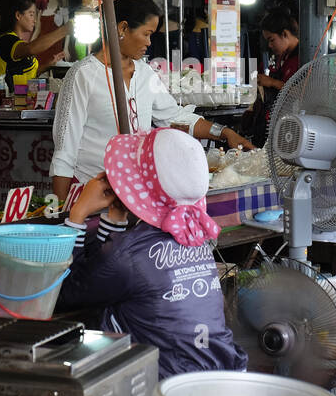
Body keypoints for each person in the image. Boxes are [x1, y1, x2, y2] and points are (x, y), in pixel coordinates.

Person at [56, 127, 247, 378]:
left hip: (168, 390)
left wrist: (78, 214)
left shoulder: (128, 255)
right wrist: (115, 218)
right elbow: (97, 270)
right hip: (223, 374)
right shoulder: (194, 236)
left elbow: (68, 291)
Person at [51, 0, 255, 202]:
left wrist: (224, 132)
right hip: (92, 191)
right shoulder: (82, 75)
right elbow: (65, 149)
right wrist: (60, 211)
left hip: (136, 191)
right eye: (146, 34)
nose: (149, 42)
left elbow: (176, 117)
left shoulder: (145, 73)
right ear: (122, 28)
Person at [0, 0, 70, 91]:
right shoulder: (5, 40)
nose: (35, 20)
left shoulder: (16, 41)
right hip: (5, 102)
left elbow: (26, 76)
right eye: (31, 14)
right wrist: (64, 30)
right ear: (18, 16)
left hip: (21, 101)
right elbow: (31, 49)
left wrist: (48, 65)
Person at [247, 9, 300, 145]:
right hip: (276, 122)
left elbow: (303, 94)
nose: (270, 45)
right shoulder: (282, 56)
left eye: (272, 40)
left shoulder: (304, 57)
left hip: (294, 127)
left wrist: (272, 82)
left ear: (285, 34)